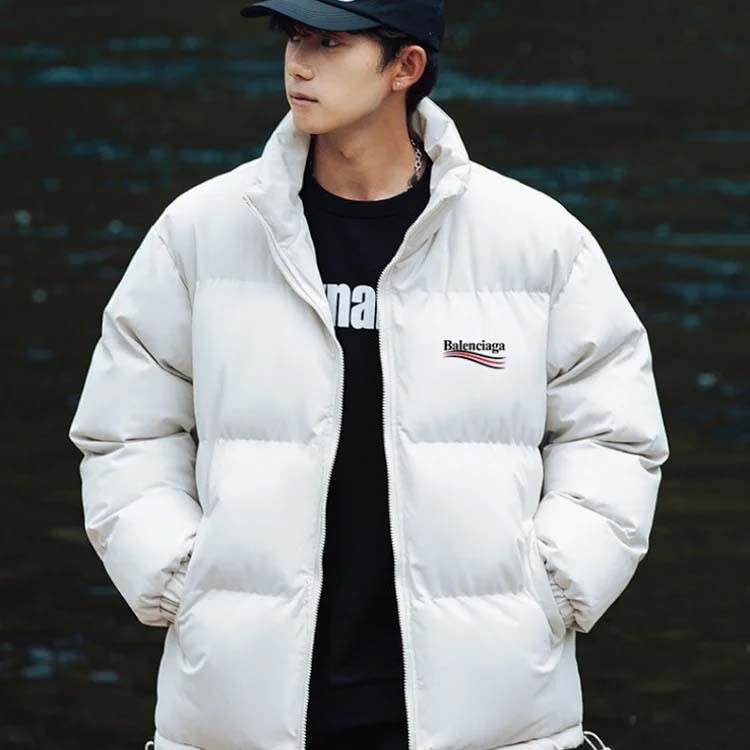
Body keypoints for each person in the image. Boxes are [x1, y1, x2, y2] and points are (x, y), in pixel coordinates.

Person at [68, 1, 669, 749]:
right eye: (293, 37)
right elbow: (125, 431)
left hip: (487, 708)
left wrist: (550, 586)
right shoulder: (200, 233)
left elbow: (614, 436)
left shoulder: (536, 242)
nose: (298, 63)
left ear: (405, 67)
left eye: (329, 42)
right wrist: (183, 578)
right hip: (242, 707)